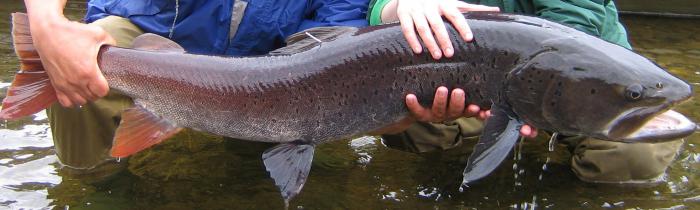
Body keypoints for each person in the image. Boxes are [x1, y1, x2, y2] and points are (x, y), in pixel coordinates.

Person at [24, 0, 522, 180]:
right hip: (154, 44)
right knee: (89, 54)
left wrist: (407, 110)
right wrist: (46, 24)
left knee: (317, 124)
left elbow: (344, 39)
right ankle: (93, 184)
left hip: (268, 76)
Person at [371, 0, 684, 183]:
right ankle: (485, 163)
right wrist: (398, 6)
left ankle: (554, 172)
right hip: (481, 86)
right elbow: (375, 10)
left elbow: (573, 29)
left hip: (597, 85)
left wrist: (534, 101)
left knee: (633, 159)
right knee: (412, 125)